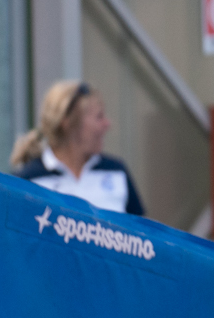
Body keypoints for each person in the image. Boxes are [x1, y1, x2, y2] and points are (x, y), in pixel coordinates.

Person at [9, 79, 147, 216]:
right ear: (68, 123)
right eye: (99, 117)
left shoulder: (117, 171)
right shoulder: (28, 180)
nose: (107, 124)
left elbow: (140, 228)